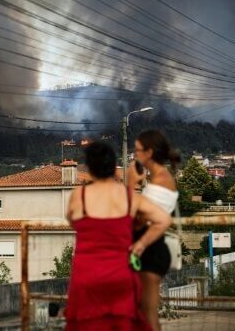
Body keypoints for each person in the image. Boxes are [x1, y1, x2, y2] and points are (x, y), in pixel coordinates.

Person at [65, 142, 172, 331]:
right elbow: (163, 219)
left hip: (87, 276)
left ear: (89, 167)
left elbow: (72, 220)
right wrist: (140, 245)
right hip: (120, 275)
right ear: (114, 166)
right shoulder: (129, 197)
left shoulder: (78, 196)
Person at [128, 130, 180, 331]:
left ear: (148, 152)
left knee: (147, 314)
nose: (135, 154)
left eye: (137, 150)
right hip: (151, 250)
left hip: (150, 251)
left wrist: (131, 186)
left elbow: (139, 221)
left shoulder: (161, 182)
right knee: (144, 312)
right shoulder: (159, 177)